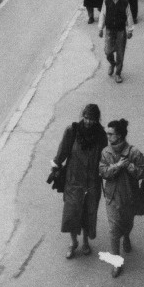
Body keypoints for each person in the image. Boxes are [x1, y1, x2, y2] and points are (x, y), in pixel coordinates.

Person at [50, 104, 108, 259]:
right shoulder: (72, 131)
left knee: (89, 213)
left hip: (92, 182)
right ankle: (73, 242)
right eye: (86, 118)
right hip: (74, 181)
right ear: (83, 116)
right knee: (72, 213)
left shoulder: (101, 136)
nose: (88, 122)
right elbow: (62, 151)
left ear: (97, 120)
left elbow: (104, 158)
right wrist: (56, 166)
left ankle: (85, 241)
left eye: (92, 119)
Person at [99, 118, 144, 278]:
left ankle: (126, 237)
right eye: (107, 133)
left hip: (129, 196)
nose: (107, 136)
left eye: (110, 134)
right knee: (114, 230)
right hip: (112, 197)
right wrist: (117, 166)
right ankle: (116, 262)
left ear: (119, 136)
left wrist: (129, 165)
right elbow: (102, 172)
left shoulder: (134, 153)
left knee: (127, 224)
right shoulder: (106, 152)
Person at [98, 0, 134, 84]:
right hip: (109, 30)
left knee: (120, 53)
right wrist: (100, 28)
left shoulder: (125, 2)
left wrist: (130, 30)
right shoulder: (107, 1)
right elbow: (102, 15)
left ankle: (118, 73)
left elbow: (129, 16)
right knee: (107, 51)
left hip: (120, 31)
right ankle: (112, 63)